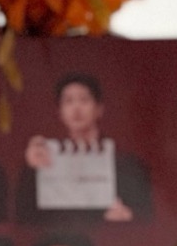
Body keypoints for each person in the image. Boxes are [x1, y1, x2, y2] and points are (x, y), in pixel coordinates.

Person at [16, 72, 153, 224]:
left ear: (99, 109)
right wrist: (31, 169)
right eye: (68, 101)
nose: (76, 108)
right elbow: (24, 218)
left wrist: (129, 216)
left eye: (84, 100)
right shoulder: (45, 160)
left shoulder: (126, 163)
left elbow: (147, 216)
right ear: (60, 112)